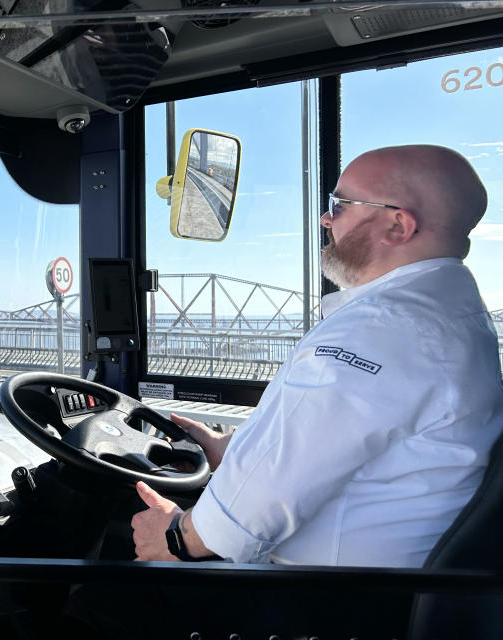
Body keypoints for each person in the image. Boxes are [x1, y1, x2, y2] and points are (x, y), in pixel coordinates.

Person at [132, 144, 503, 568]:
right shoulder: (450, 316)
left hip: (322, 601)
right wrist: (224, 450)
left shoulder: (378, 329)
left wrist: (178, 538)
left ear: (398, 226)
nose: (326, 218)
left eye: (341, 205)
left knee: (97, 599)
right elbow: (335, 438)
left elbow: (258, 503)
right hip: (382, 592)